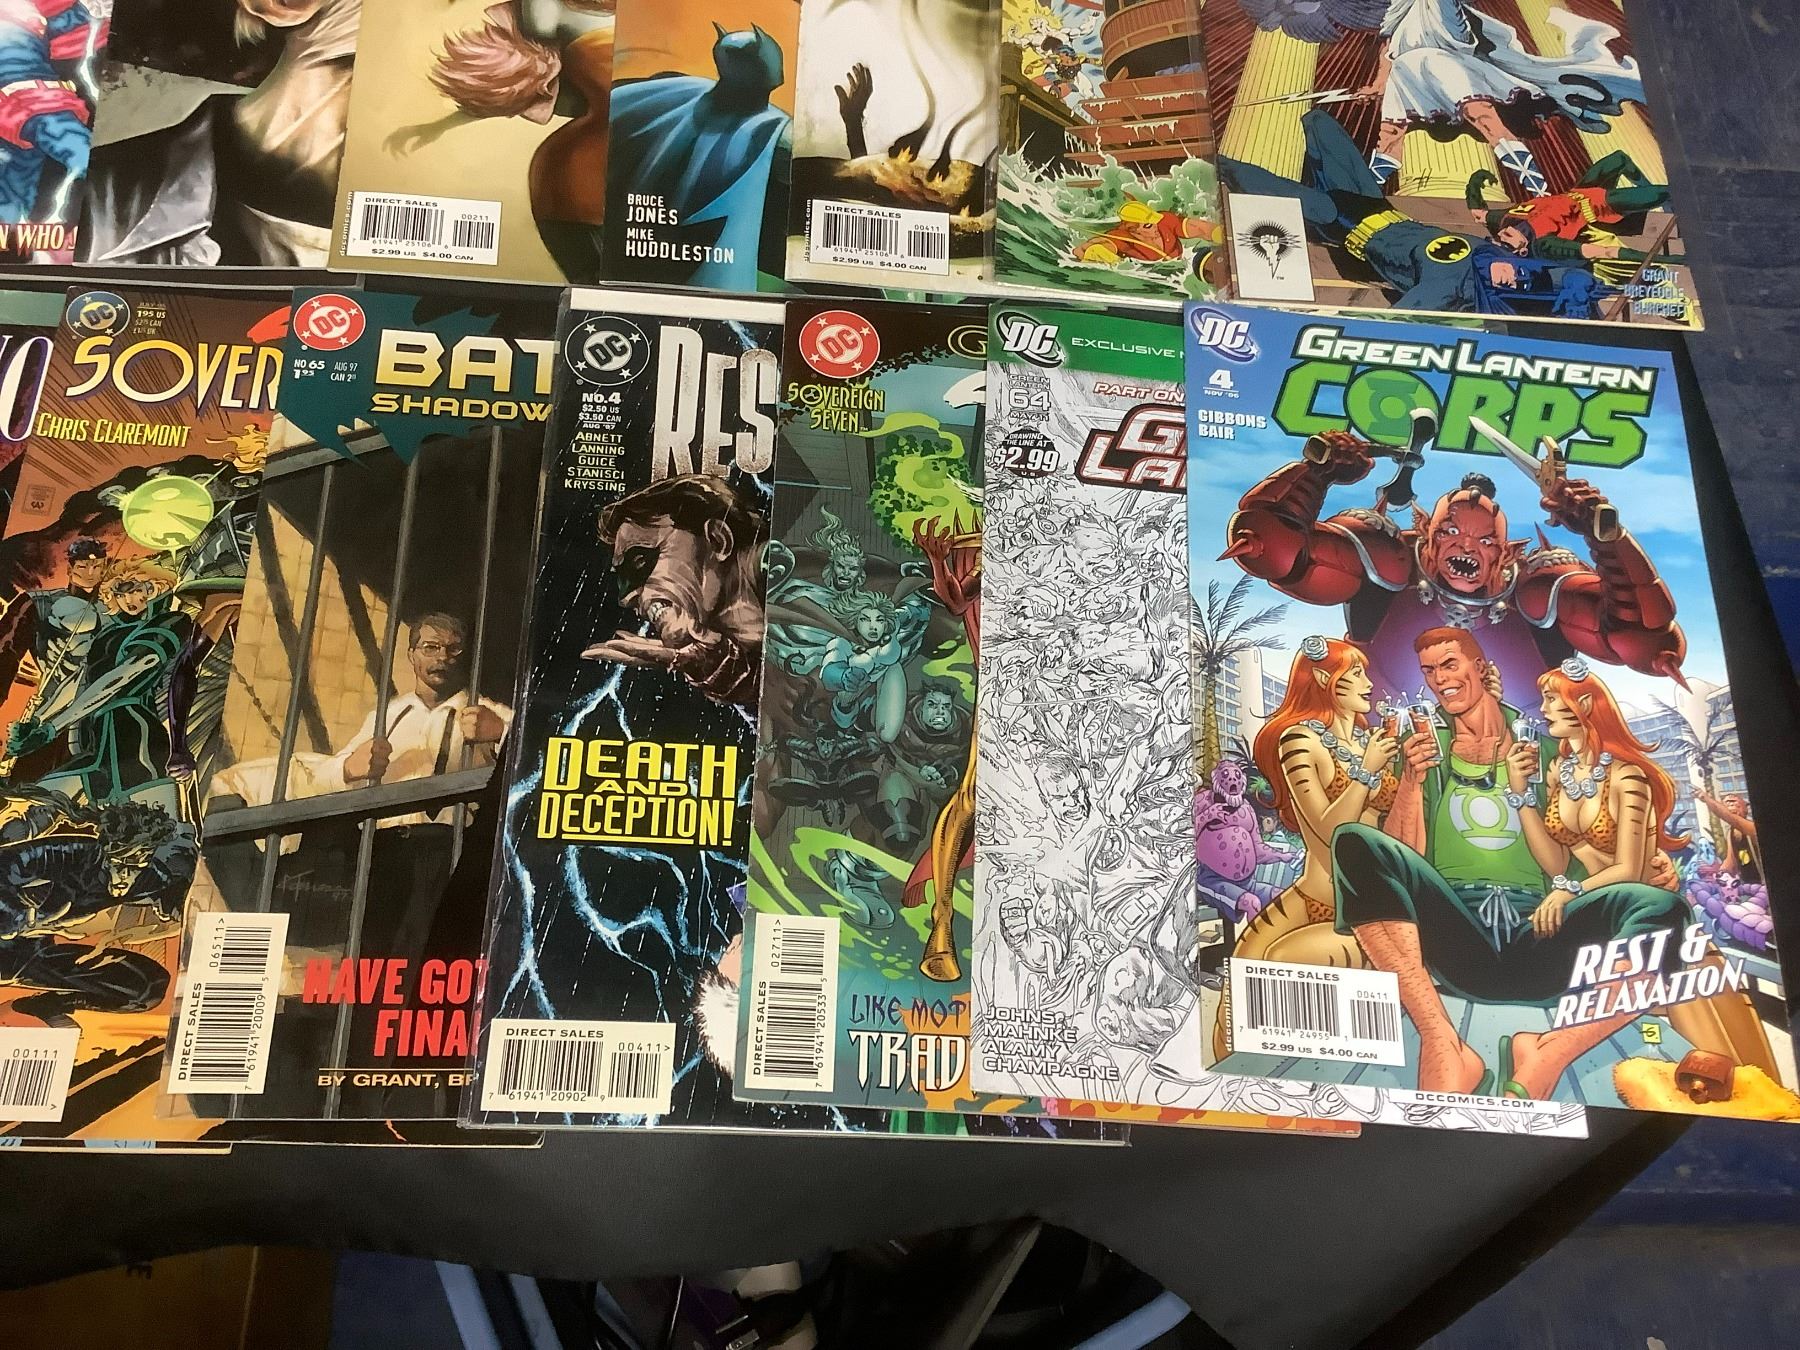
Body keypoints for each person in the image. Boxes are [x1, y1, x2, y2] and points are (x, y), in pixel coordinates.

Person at [1333, 632, 1776, 1099]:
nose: (1440, 679)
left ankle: (1549, 1051)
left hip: (1542, 935)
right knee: (1354, 842)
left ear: (1481, 668)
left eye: (1449, 664)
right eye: (1429, 670)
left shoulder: (1549, 752)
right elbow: (1403, 857)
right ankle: (1442, 1042)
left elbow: (1583, 846)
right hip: (1455, 934)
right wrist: (1411, 781)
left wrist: (1643, 868)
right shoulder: (1425, 745)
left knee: (1663, 908)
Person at [1210, 636, 1399, 1057]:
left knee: (1279, 976)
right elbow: (1332, 832)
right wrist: (1366, 772)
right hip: (1311, 896)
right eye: (1356, 674)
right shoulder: (1300, 741)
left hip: (1368, 907)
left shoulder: (1369, 741)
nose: (1368, 684)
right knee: (1234, 1012)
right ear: (1324, 679)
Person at [585, 472, 767, 709]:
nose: (626, 598)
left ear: (717, 540)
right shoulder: (732, 629)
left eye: (639, 561)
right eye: (622, 578)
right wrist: (725, 670)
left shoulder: (782, 564)